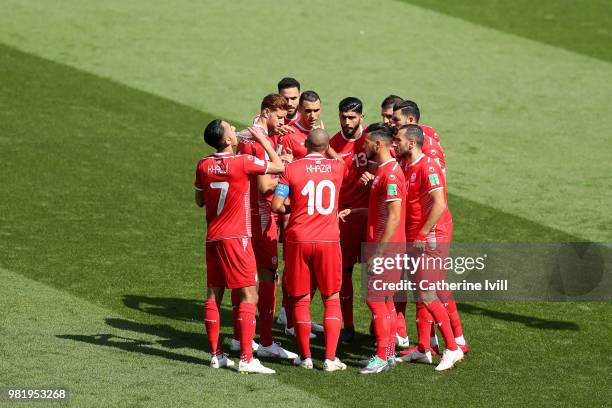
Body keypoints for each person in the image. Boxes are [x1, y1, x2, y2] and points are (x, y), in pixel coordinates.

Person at [195, 119, 285, 374]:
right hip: (237, 237)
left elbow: (199, 200)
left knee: (214, 294)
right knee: (249, 295)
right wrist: (264, 141)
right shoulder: (241, 162)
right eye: (230, 129)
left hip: (213, 237)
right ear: (227, 140)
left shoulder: (203, 164)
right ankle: (247, 357)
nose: (235, 129)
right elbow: (278, 166)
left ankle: (216, 355)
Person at [271, 128, 347, 372]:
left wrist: (296, 208)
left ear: (305, 143)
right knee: (331, 297)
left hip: (298, 239)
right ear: (325, 147)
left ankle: (304, 357)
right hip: (328, 240)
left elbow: (276, 205)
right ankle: (330, 358)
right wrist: (328, 146)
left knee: (301, 298)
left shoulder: (291, 169)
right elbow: (339, 159)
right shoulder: (337, 168)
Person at [393, 124, 466, 371]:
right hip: (413, 239)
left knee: (428, 294)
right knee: (420, 294)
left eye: (399, 139)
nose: (395, 143)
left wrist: (423, 233)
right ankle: (424, 348)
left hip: (429, 240)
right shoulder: (405, 165)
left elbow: (439, 204)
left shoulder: (428, 166)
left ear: (412, 143)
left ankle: (452, 348)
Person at [234, 94, 298, 360]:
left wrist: (272, 134)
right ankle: (267, 341)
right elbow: (264, 187)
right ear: (267, 111)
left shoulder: (248, 133)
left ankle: (238, 338)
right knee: (268, 277)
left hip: (242, 215)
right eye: (280, 117)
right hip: (261, 217)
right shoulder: (259, 143)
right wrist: (288, 170)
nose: (282, 123)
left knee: (243, 279)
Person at [341, 123, 406, 374]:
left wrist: (380, 251)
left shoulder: (390, 174)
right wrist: (357, 211)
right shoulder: (383, 170)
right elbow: (381, 211)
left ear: (378, 145)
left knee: (376, 301)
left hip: (385, 248)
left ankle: (379, 357)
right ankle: (387, 354)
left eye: (366, 142)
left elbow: (393, 216)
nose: (363, 146)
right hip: (383, 246)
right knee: (385, 302)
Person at [329, 97, 369, 343]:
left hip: (369, 214)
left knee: (377, 272)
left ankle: (382, 324)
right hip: (344, 216)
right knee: (344, 272)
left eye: (352, 117)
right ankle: (349, 325)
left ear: (361, 117)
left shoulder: (372, 139)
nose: (347, 121)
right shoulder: (333, 142)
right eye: (343, 117)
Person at [391, 100, 446, 171]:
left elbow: (440, 180)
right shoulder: (402, 143)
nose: (392, 124)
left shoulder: (429, 149)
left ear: (410, 120)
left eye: (396, 120)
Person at [280, 90, 323, 159]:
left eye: (316, 110)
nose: (312, 115)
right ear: (299, 109)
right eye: (308, 111)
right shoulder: (288, 135)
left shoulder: (320, 133)